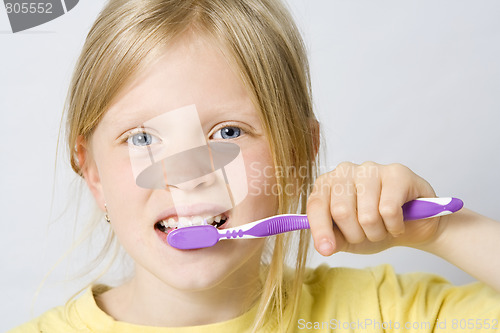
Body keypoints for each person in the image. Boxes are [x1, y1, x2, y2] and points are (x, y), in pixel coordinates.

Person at [9, 0, 500, 332]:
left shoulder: (382, 315)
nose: (187, 174)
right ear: (93, 173)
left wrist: (443, 232)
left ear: (297, 151)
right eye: (142, 138)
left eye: (227, 133)